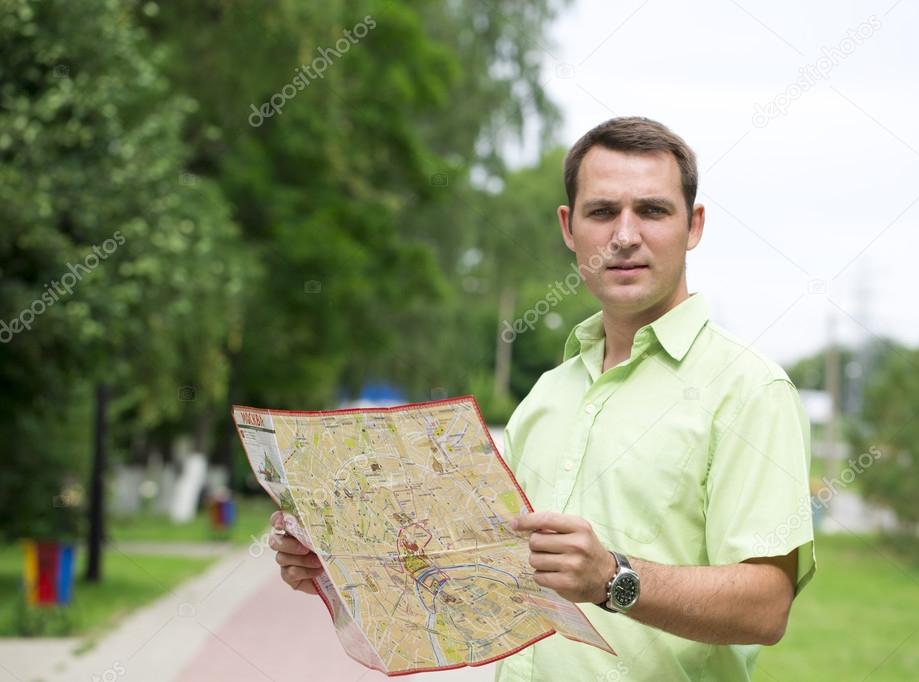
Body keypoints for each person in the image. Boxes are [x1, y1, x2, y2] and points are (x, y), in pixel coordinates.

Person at [270, 116, 816, 681]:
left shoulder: (750, 389)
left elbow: (766, 606)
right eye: (602, 212)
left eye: (652, 211)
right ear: (569, 226)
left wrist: (613, 578)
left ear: (693, 225)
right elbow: (488, 577)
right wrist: (345, 562)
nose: (625, 235)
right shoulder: (548, 394)